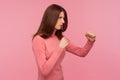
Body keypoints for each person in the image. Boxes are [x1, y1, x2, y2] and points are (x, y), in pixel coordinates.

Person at [32, 4, 96, 80]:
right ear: (51, 18)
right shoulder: (38, 39)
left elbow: (81, 52)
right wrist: (60, 47)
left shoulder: (61, 38)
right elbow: (44, 70)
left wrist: (90, 41)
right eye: (60, 18)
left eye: (63, 18)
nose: (63, 21)